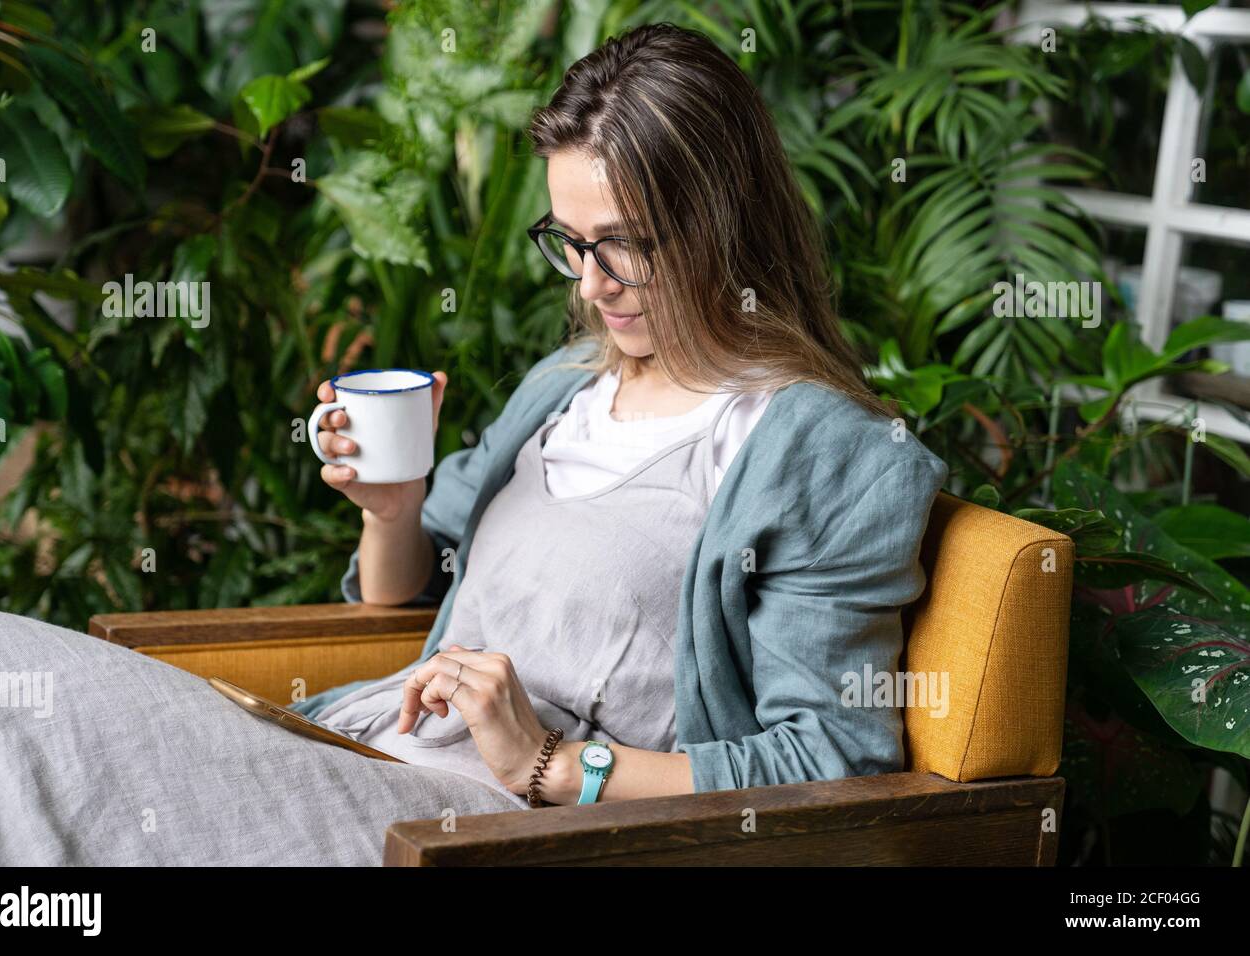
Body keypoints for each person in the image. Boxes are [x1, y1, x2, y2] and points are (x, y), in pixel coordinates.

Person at [298, 22, 948, 810]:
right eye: (570, 242)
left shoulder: (823, 452)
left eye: (622, 245)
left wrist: (553, 763)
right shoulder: (561, 387)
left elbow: (832, 760)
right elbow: (402, 594)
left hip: (471, 826)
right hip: (359, 750)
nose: (588, 286)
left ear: (725, 227)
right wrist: (393, 511)